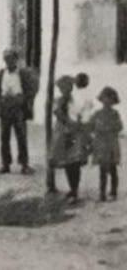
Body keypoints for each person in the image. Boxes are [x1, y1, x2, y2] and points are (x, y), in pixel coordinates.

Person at [0, 48, 38, 175]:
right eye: (6, 59)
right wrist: (0, 99)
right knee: (4, 136)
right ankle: (5, 164)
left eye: (11, 58)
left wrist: (24, 100)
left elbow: (32, 88)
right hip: (5, 107)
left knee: (21, 136)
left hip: (19, 107)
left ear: (16, 59)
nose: (8, 61)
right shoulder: (1, 73)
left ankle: (24, 164)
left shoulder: (23, 73)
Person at [50, 75, 91, 203]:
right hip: (63, 133)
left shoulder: (76, 101)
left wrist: (79, 123)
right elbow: (58, 113)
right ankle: (72, 189)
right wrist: (70, 123)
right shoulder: (58, 101)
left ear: (71, 87)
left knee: (75, 162)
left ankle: (75, 190)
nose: (64, 89)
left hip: (75, 134)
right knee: (67, 162)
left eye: (67, 87)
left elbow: (83, 113)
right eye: (62, 87)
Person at [89, 87, 122, 202]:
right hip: (101, 145)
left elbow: (119, 127)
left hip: (112, 144)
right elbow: (90, 125)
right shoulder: (97, 114)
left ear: (113, 101)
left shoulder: (115, 114)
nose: (107, 101)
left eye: (110, 99)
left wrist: (108, 128)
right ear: (102, 100)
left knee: (113, 169)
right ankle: (102, 193)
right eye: (105, 99)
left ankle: (113, 192)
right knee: (102, 170)